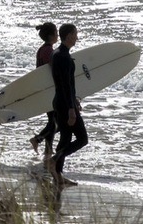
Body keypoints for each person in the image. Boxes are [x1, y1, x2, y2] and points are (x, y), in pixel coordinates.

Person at [50, 23, 88, 188]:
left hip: (61, 101)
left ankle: (58, 175)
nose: (77, 37)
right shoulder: (64, 57)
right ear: (69, 35)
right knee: (82, 139)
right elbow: (66, 85)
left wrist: (74, 102)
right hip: (65, 105)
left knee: (65, 138)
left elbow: (65, 86)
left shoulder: (57, 54)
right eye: (75, 34)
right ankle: (54, 161)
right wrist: (71, 109)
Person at [29, 22, 60, 165]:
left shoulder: (44, 49)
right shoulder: (48, 51)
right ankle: (37, 140)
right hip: (49, 91)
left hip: (46, 89)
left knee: (52, 121)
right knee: (57, 122)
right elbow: (54, 69)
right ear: (51, 35)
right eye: (56, 32)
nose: (58, 35)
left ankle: (48, 149)